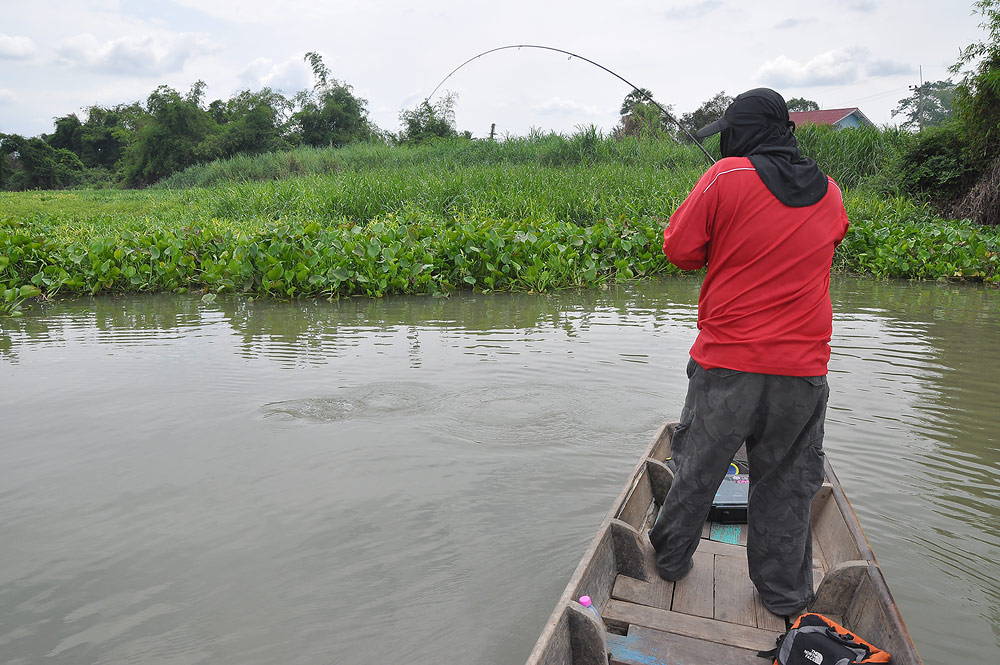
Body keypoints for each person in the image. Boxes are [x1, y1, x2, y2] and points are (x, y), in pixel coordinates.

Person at [647, 88, 849, 617]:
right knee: (786, 482)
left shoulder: (725, 176)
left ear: (741, 132)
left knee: (698, 467)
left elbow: (679, 252)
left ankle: (670, 562)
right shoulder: (829, 191)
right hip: (803, 370)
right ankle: (783, 596)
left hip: (728, 363)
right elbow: (826, 242)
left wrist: (723, 228)